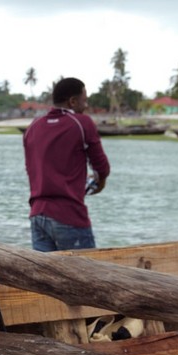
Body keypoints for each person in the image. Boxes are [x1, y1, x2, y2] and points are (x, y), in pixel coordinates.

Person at [22, 77, 110, 252]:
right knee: (85, 276)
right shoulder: (82, 122)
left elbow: (31, 169)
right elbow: (102, 167)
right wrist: (100, 183)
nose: (85, 106)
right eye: (84, 101)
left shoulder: (33, 126)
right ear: (73, 101)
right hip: (69, 215)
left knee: (43, 278)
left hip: (38, 215)